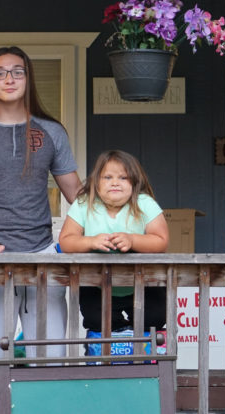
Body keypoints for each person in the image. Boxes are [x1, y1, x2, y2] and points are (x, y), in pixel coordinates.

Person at [0, 46, 82, 414]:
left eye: (18, 71)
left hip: (43, 252)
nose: (9, 79)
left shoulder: (51, 131)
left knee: (53, 356)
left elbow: (77, 195)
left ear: (28, 78)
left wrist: (121, 204)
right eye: (0, 72)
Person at [59, 149, 169, 349]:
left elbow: (161, 240)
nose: (115, 182)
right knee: (97, 320)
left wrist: (133, 240)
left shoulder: (144, 203)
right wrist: (91, 241)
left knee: (154, 318)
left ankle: (146, 362)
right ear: (95, 183)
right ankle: (109, 363)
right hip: (97, 283)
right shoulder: (85, 204)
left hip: (143, 284)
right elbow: (66, 240)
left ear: (135, 182)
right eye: (107, 177)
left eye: (123, 177)